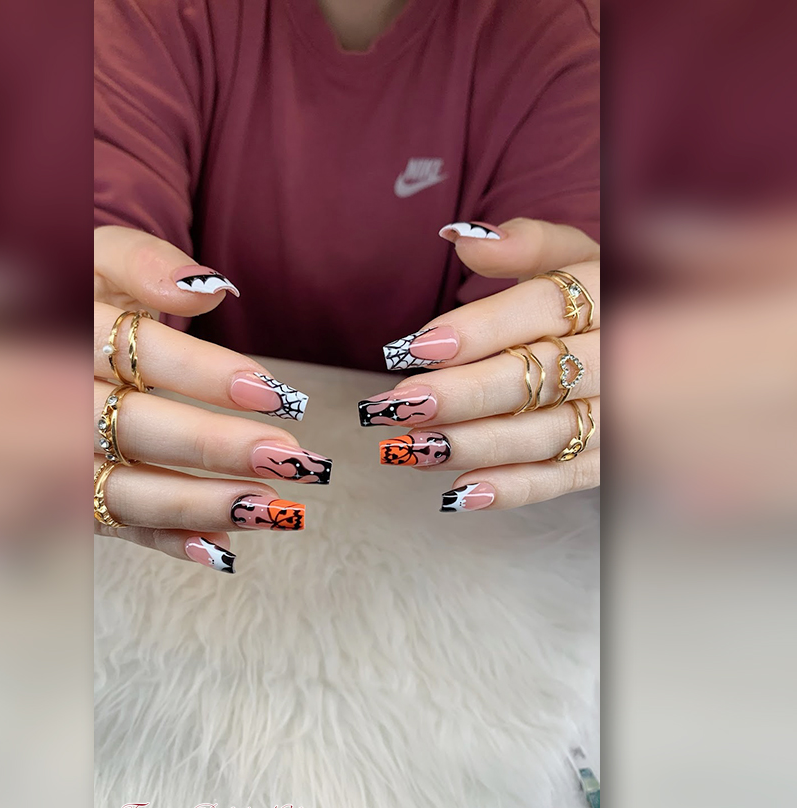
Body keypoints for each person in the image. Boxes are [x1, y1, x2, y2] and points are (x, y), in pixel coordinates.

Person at [94, 0, 601, 570]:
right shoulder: (135, 19)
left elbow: (540, 315)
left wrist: (577, 344)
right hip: (201, 522)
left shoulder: (568, 43)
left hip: (438, 549)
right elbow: (113, 237)